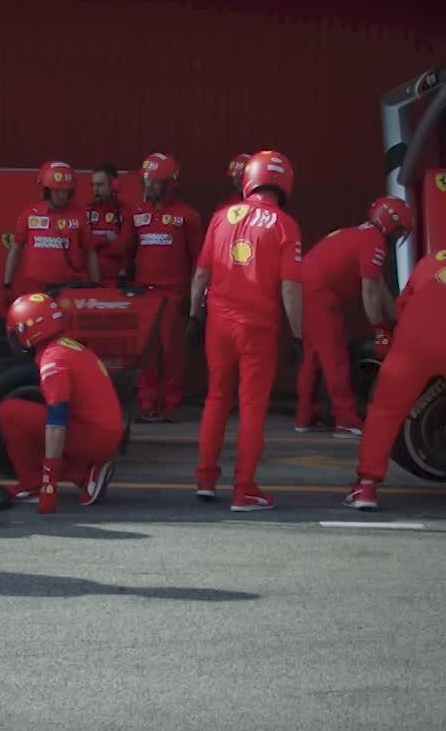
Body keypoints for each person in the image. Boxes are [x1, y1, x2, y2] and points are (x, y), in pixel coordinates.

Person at [189, 150, 302, 511]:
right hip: (258, 328)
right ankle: (244, 489)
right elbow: (290, 288)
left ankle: (205, 479)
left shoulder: (221, 218)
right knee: (252, 408)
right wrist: (298, 335)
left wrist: (194, 317)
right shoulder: (285, 224)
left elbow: (201, 276)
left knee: (216, 400)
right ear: (283, 183)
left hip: (219, 325)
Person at [296, 196, 412, 438]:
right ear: (391, 224)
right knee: (335, 358)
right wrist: (381, 329)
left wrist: (400, 320)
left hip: (307, 287)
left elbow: (379, 288)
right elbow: (370, 292)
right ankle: (346, 419)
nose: (399, 237)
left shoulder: (364, 235)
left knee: (314, 356)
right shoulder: (375, 242)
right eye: (400, 230)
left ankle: (306, 416)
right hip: (320, 294)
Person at [0, 292, 123, 513]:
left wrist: (49, 484)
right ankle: (83, 474)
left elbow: (57, 422)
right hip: (103, 430)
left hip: (95, 436)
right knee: (31, 416)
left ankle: (38, 482)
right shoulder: (67, 347)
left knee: (11, 413)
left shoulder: (52, 361)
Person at [348, 249, 446, 510]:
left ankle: (365, 487)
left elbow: (402, 306)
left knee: (383, 413)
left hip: (412, 348)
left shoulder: (431, 260)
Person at [119, 152, 202, 423]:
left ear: (169, 184)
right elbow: (126, 251)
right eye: (147, 181)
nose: (149, 186)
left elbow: (198, 259)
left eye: (155, 181)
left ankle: (171, 404)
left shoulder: (186, 216)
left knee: (172, 353)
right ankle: (146, 403)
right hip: (143, 293)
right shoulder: (137, 214)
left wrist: (195, 298)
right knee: (147, 353)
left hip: (172, 295)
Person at [3, 160, 100, 297]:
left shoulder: (80, 216)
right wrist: (7, 283)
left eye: (66, 191)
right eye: (58, 191)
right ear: (46, 190)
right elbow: (16, 248)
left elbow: (90, 252)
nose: (63, 196)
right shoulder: (30, 214)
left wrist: (96, 285)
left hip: (69, 289)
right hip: (35, 289)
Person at [86, 163, 130, 285]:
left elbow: (123, 247)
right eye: (93, 185)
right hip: (87, 282)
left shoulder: (126, 211)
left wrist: (94, 246)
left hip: (116, 283)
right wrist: (105, 238)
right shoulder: (86, 210)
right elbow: (83, 246)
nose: (95, 189)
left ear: (113, 185)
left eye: (100, 185)